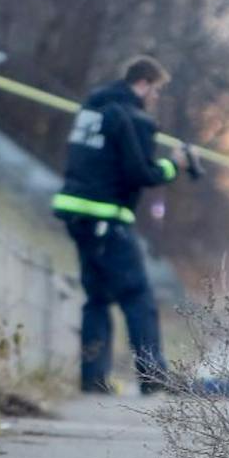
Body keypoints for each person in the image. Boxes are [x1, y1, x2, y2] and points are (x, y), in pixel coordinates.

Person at [52, 56, 182, 395]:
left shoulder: (93, 108)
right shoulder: (132, 116)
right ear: (143, 83)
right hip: (107, 217)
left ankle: (92, 379)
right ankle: (153, 377)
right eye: (156, 90)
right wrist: (174, 165)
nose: (155, 98)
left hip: (75, 213)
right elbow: (141, 172)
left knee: (96, 297)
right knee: (137, 296)